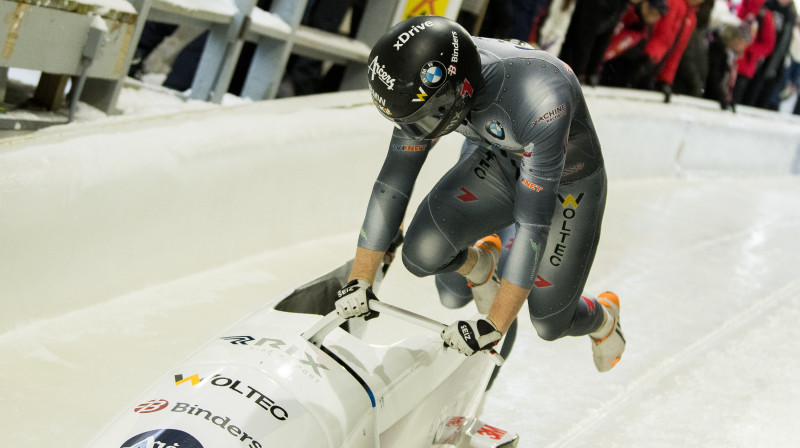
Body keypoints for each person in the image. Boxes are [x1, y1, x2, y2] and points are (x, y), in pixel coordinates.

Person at [333, 15, 625, 372]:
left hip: (568, 185)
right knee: (422, 254)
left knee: (549, 321)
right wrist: (359, 280)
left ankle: (604, 318)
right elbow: (392, 183)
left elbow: (533, 225)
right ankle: (481, 265)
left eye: (421, 120)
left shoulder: (541, 101)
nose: (413, 132)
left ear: (458, 92)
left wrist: (493, 326)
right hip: (499, 153)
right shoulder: (438, 81)